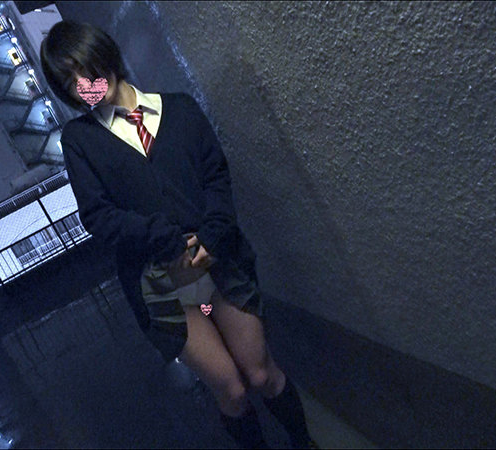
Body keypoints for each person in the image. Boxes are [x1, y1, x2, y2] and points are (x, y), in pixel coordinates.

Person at [40, 20, 317, 449]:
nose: (83, 85)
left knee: (261, 373)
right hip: (160, 282)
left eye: (84, 68)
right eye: (68, 81)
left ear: (104, 55)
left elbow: (216, 177)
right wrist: (165, 238)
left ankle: (305, 444)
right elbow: (97, 215)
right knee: (232, 388)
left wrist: (213, 237)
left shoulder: (181, 109)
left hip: (219, 261)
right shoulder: (80, 139)